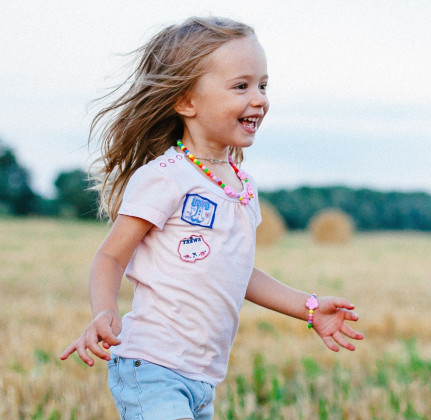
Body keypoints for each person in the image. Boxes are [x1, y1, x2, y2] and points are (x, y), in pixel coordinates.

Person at [60, 16, 363, 420]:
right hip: (151, 368)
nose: (259, 99)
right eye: (241, 86)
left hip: (202, 380)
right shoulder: (165, 177)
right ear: (187, 101)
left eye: (263, 85)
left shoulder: (241, 184)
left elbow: (238, 270)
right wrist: (104, 310)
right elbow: (111, 257)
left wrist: (307, 307)